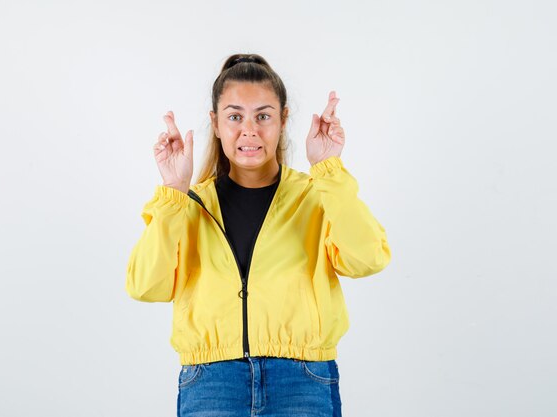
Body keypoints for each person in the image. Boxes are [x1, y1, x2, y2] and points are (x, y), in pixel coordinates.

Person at [125, 53, 391, 416]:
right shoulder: (188, 204)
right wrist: (173, 189)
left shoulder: (316, 194)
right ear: (215, 123)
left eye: (263, 116)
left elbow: (367, 259)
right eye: (235, 116)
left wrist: (328, 168)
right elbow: (146, 285)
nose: (249, 130)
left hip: (303, 379)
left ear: (283, 121)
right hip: (211, 382)